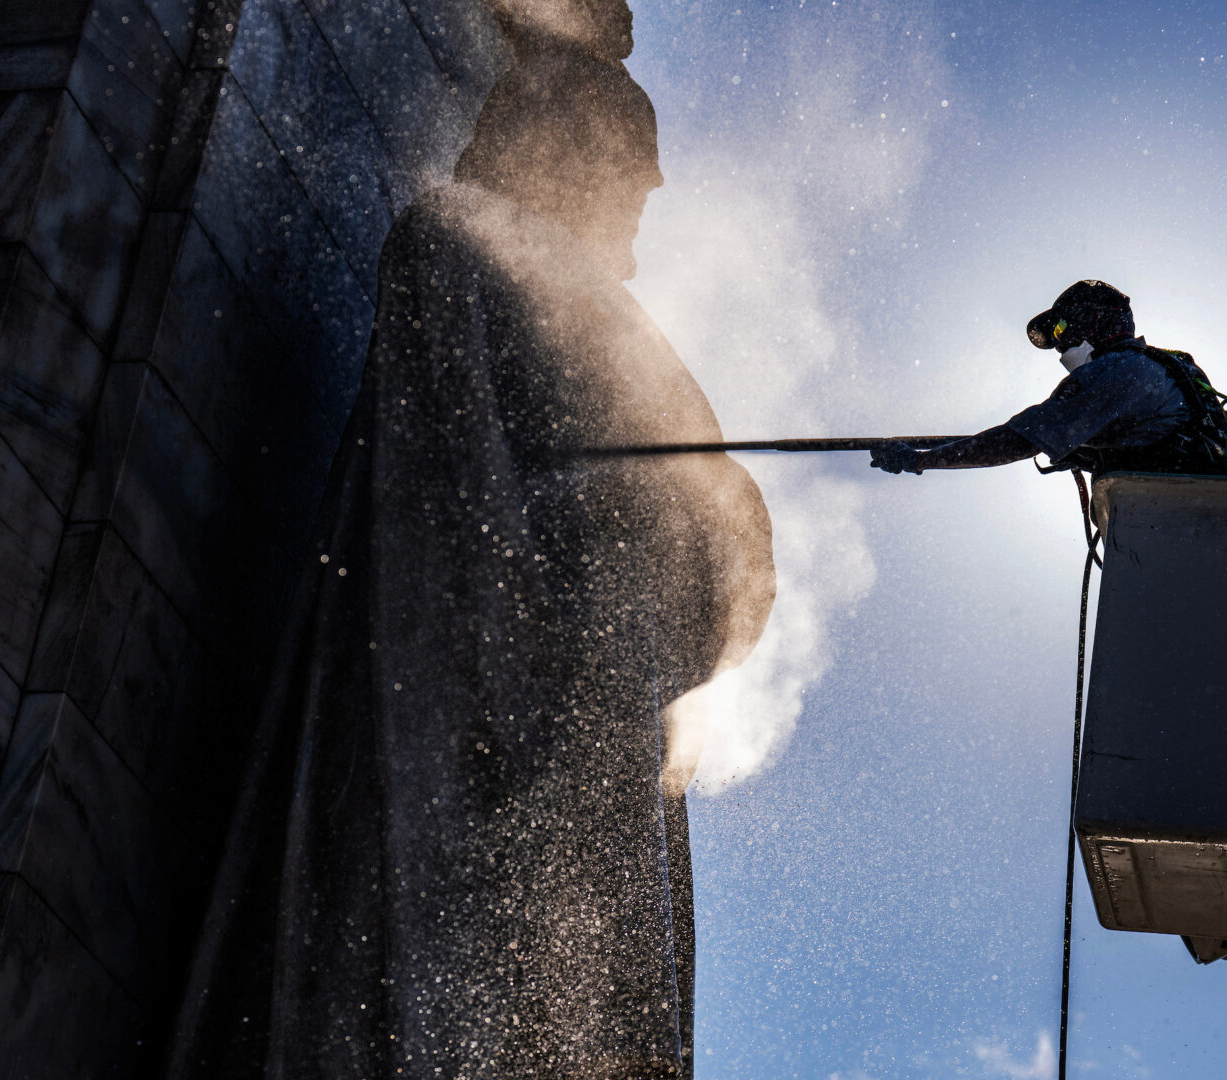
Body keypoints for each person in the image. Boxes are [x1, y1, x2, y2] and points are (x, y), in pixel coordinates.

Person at [166, 20, 774, 1080]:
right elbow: (444, 493)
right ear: (560, 143)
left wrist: (697, 530)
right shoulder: (462, 242)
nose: (639, 205)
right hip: (502, 700)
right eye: (629, 174)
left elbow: (719, 516)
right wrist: (606, 526)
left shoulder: (604, 313)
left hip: (603, 708)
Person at [870, 280, 1227, 479]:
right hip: (1201, 502)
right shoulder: (1162, 366)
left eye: (1063, 327)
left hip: (1174, 516)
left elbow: (1018, 439)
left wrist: (920, 460)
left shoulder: (1114, 373)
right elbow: (1155, 439)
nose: (1059, 343)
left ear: (1095, 320)